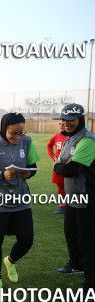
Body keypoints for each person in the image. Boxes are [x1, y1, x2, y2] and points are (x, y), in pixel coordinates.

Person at [0, 112, 39, 289]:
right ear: (4, 130)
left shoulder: (27, 143)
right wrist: (0, 174)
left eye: (21, 132)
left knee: (27, 240)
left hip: (21, 199)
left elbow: (33, 167)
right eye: (14, 133)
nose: (18, 137)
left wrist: (29, 172)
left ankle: (10, 261)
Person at [54, 103, 95, 290]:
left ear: (80, 119)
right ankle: (76, 264)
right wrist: (61, 165)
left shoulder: (87, 140)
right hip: (72, 196)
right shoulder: (70, 138)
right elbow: (61, 161)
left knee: (87, 239)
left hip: (86, 196)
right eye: (63, 120)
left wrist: (60, 166)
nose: (66, 123)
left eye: (70, 120)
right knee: (70, 232)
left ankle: (91, 282)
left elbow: (69, 169)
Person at [47, 120, 68, 215]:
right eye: (60, 124)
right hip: (58, 166)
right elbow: (49, 146)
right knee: (60, 187)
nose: (61, 126)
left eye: (63, 124)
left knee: (72, 187)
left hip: (71, 167)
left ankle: (71, 205)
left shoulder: (73, 137)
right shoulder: (57, 136)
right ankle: (62, 206)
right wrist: (53, 157)